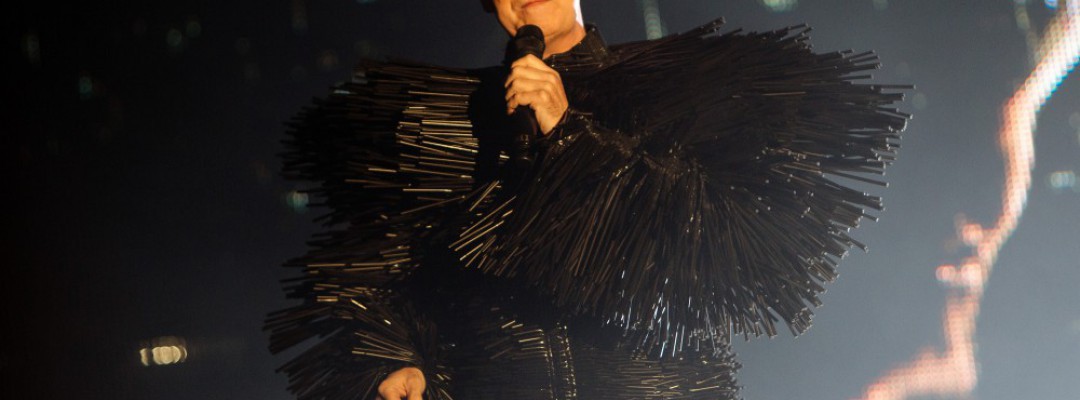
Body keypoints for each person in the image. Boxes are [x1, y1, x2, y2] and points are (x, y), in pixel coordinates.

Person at [266, 1, 910, 399]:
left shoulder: (685, 90)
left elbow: (722, 253)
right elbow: (371, 275)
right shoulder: (440, 123)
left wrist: (570, 136)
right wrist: (393, 356)